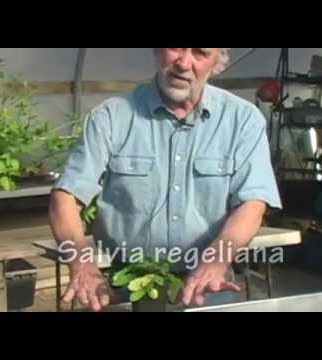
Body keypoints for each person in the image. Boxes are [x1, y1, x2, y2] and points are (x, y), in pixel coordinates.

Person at [49, 48, 282, 312]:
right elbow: (65, 197)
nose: (183, 63)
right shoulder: (111, 118)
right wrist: (80, 262)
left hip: (207, 285)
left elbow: (253, 203)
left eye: (200, 53)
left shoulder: (242, 120)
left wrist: (216, 260)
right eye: (175, 48)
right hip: (126, 285)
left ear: (218, 63)